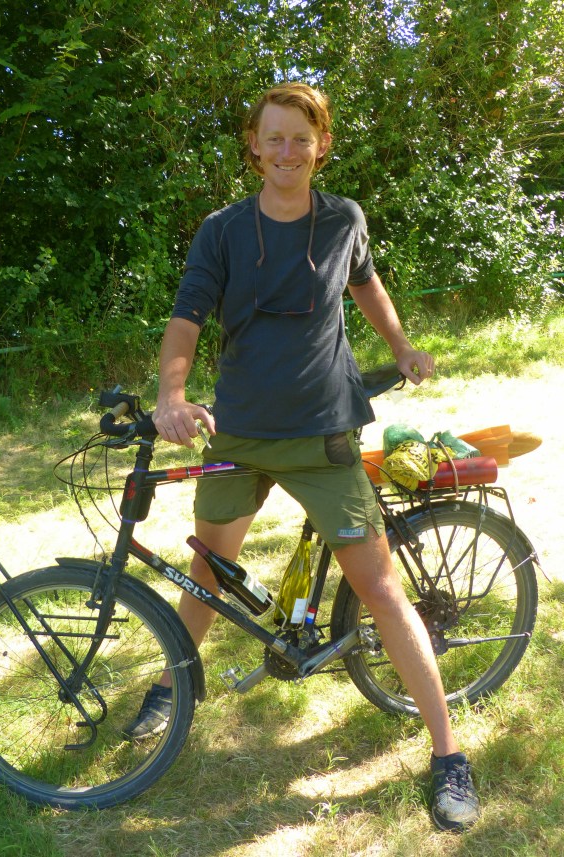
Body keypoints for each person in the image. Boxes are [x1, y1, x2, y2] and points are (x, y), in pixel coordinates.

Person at [124, 82, 480, 832]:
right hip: (241, 429)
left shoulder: (343, 218)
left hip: (323, 432)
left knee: (381, 590)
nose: (287, 152)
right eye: (273, 138)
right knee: (208, 573)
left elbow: (367, 285)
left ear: (322, 145)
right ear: (253, 146)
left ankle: (449, 753)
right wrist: (171, 395)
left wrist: (402, 345)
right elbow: (186, 318)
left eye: (301, 139)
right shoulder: (221, 231)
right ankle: (171, 686)